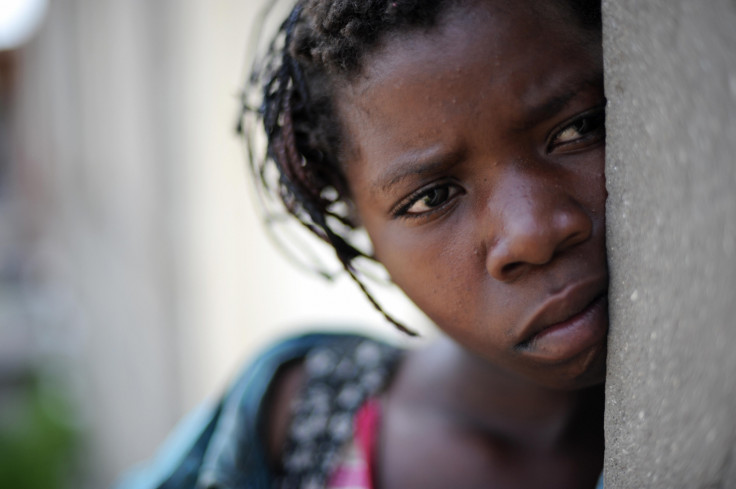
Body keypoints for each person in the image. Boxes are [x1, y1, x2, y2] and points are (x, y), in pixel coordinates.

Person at [119, 0, 607, 487]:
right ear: (358, 228)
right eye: (431, 198)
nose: (532, 234)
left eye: (577, 129)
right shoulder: (294, 426)